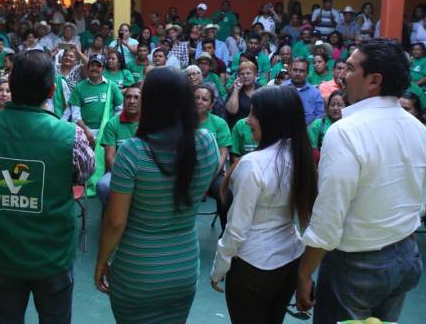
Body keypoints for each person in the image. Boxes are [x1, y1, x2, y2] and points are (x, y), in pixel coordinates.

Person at [0, 50, 94, 324]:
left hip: (1, 252)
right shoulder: (71, 135)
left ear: (10, 84)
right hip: (53, 256)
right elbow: (84, 175)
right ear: (52, 90)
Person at [296, 39, 426, 323]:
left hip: (357, 267)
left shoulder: (346, 132)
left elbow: (328, 219)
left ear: (374, 80)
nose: (342, 75)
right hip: (405, 254)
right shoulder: (418, 129)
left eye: (351, 68)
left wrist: (304, 273)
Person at [94, 67, 219, 323]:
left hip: (138, 272)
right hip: (184, 269)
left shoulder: (133, 151)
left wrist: (101, 262)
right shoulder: (206, 143)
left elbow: (116, 222)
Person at [211, 85, 317, 324]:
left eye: (254, 114)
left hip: (253, 267)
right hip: (289, 259)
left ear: (272, 119)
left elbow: (237, 229)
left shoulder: (253, 164)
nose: (247, 121)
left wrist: (219, 269)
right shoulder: (299, 156)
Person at [70, 54, 123, 194]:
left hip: (107, 133)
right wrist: (86, 131)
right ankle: (87, 186)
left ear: (103, 68)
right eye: (92, 65)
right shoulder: (79, 87)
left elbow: (120, 110)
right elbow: (75, 115)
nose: (95, 68)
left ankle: (102, 186)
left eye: (98, 66)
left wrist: (110, 128)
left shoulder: (111, 86)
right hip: (84, 133)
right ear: (87, 67)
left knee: (105, 161)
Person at [195, 84, 232, 233]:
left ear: (211, 104)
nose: (199, 101)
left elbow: (223, 155)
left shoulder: (219, 123)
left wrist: (208, 177)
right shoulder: (181, 121)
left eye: (204, 99)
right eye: (196, 98)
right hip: (186, 175)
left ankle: (225, 233)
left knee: (225, 193)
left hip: (213, 174)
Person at [95, 85, 141, 205]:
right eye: (128, 97)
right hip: (118, 170)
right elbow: (110, 158)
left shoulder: (150, 122)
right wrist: (127, 177)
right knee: (103, 185)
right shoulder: (112, 124)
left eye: (136, 97)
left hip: (144, 170)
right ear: (124, 101)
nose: (132, 101)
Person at [308, 90, 346, 160]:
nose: (335, 108)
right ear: (327, 107)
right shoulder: (318, 124)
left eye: (339, 105)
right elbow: (312, 151)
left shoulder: (349, 125)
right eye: (332, 105)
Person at [287, 58, 325, 125]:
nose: (297, 73)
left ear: (307, 73)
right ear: (290, 71)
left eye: (301, 71)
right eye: (295, 70)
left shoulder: (315, 93)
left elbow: (320, 116)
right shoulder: (281, 89)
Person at [226, 61, 258, 128]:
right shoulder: (235, 90)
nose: (245, 76)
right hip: (238, 129)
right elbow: (232, 111)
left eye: (248, 73)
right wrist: (236, 89)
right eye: (242, 74)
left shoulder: (262, 90)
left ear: (255, 74)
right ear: (238, 76)